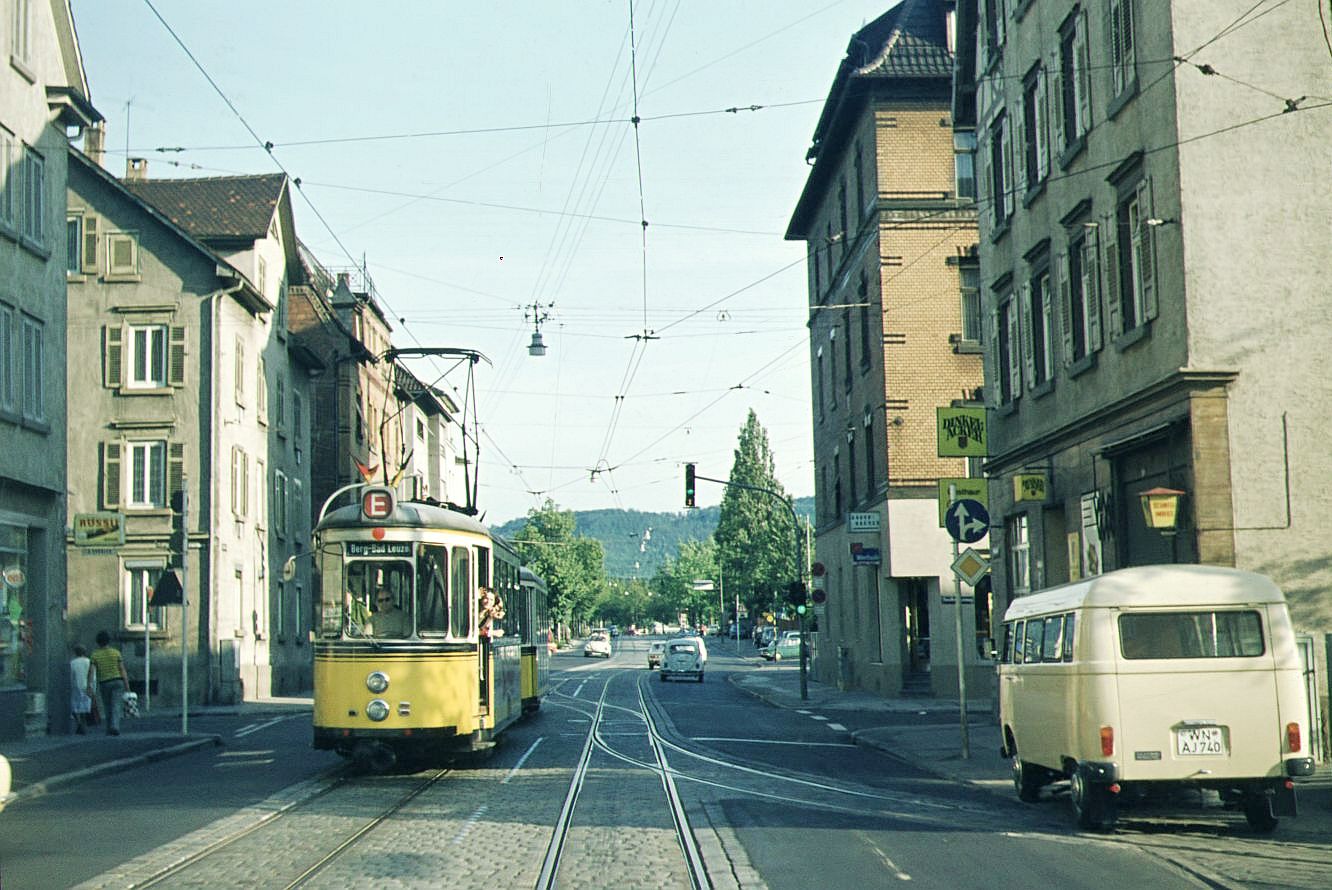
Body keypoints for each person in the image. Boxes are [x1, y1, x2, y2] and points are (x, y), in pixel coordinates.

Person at [88, 631, 129, 736]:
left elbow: (91, 672)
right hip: (117, 681)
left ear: (98, 642)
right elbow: (122, 669)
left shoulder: (95, 655)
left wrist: (89, 685)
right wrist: (126, 684)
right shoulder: (116, 653)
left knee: (107, 706)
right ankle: (114, 726)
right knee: (116, 704)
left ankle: (109, 727)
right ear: (108, 641)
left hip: (104, 682)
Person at [70, 644, 92, 734]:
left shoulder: (73, 663)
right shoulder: (89, 662)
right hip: (87, 686)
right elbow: (93, 675)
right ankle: (83, 723)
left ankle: (78, 723)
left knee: (75, 705)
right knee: (85, 706)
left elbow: (71, 676)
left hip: (76, 686)